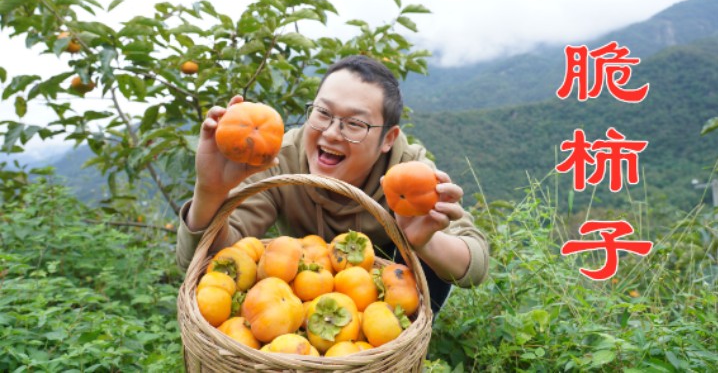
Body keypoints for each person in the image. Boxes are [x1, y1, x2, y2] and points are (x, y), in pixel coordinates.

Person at [176, 55, 489, 313]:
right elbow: (208, 264)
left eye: (355, 123)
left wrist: (424, 242)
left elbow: (474, 266)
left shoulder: (407, 172)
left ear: (387, 139)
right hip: (302, 303)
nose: (331, 133)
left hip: (383, 308)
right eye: (323, 113)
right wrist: (210, 190)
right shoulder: (280, 161)